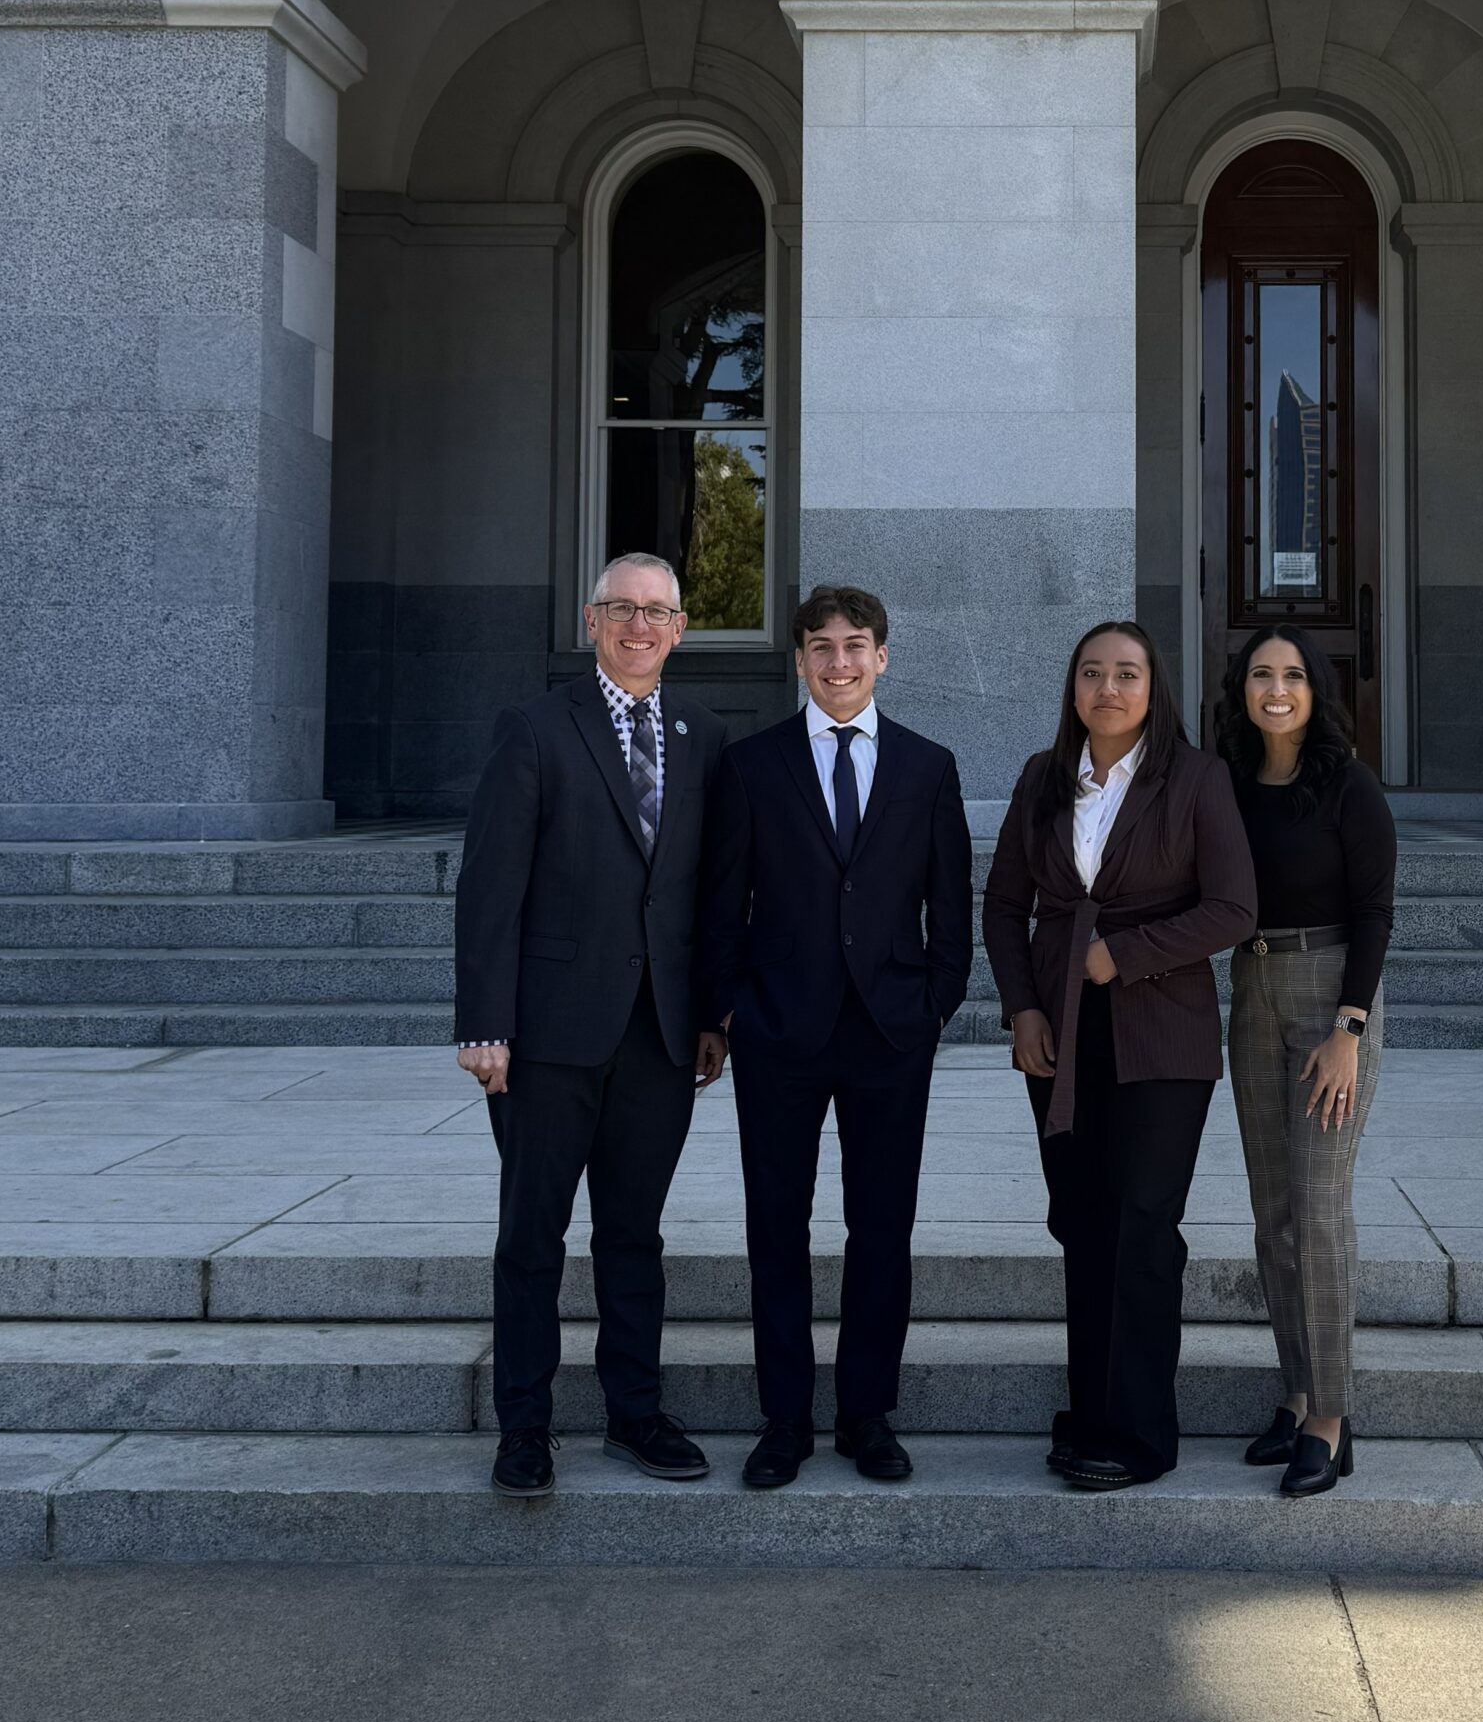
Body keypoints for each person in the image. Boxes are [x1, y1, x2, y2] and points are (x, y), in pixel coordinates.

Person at [454, 552, 730, 1499]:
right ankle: (524, 1428)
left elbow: (707, 896)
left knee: (634, 1237)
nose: (640, 626)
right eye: (622, 609)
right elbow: (490, 887)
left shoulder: (704, 734)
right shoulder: (534, 729)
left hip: (661, 1036)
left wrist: (713, 1017)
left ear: (682, 628)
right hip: (546, 1038)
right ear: (591, 620)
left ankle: (634, 1415)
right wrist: (485, 1023)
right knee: (532, 1237)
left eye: (658, 612)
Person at [697, 585, 973, 1489]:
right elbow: (721, 902)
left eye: (857, 646)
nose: (840, 662)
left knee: (880, 1228)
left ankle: (867, 1414)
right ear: (801, 659)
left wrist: (935, 1003)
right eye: (822, 647)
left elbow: (951, 901)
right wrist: (727, 1007)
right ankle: (784, 1419)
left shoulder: (929, 767)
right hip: (779, 1031)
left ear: (883, 656)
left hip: (892, 1032)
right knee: (775, 1227)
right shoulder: (752, 765)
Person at [982, 621, 1256, 1491]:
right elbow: (1001, 907)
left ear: (1154, 689)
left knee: (1141, 1227)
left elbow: (1233, 910)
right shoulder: (1042, 778)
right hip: (1059, 1030)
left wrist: (1123, 955)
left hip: (1161, 1036)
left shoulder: (1198, 779)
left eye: (1127, 674)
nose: (1109, 688)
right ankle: (1086, 1418)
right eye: (1092, 673)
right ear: (1073, 690)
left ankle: (1139, 1436)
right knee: (1083, 1222)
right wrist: (1023, 1007)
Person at [1215, 625, 1396, 1498]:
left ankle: (1332, 1415)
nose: (1275, 689)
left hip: (1332, 999)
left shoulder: (1348, 785)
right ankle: (1294, 1392)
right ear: (1241, 689)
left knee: (1321, 1211)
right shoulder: (1226, 785)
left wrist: (1348, 1031)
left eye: (1292, 675)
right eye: (1260, 674)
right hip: (1251, 990)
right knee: (1274, 1213)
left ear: (1316, 689)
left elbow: (1376, 913)